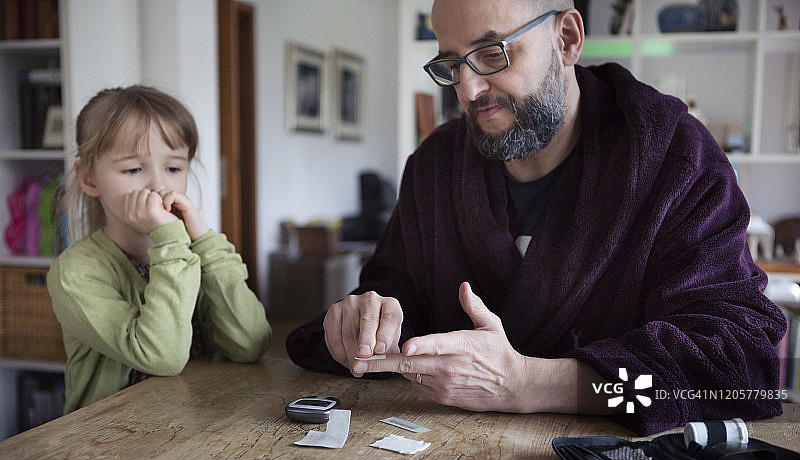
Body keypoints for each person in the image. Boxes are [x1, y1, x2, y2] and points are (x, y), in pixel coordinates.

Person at [286, 0, 786, 435]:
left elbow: (738, 368)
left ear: (566, 38)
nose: (468, 89)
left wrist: (527, 384)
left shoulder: (672, 157)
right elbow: (396, 295)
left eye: (491, 53)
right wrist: (365, 320)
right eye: (451, 63)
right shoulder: (435, 166)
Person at [48, 85, 271, 413]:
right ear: (90, 178)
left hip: (191, 428)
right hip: (106, 441)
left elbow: (250, 343)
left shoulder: (189, 253)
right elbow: (161, 356)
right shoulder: (76, 271)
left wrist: (205, 240)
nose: (158, 185)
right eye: (133, 169)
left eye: (174, 168)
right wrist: (170, 240)